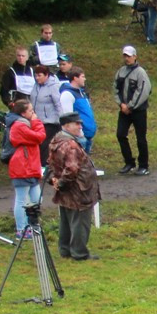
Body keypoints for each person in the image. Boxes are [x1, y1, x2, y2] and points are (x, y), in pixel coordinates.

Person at [48, 112, 100, 261]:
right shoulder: (70, 145)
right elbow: (72, 169)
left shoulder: (56, 140)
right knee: (80, 221)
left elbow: (51, 163)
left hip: (66, 189)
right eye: (76, 124)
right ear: (66, 126)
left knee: (66, 220)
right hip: (78, 189)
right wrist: (62, 183)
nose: (80, 126)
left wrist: (55, 181)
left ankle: (65, 250)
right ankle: (79, 252)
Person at [4, 98, 46, 237]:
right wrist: (36, 121)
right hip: (22, 166)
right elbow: (40, 136)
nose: (33, 113)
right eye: (30, 110)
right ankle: (21, 229)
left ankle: (32, 224)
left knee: (37, 198)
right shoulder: (19, 126)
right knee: (21, 199)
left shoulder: (25, 124)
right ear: (23, 113)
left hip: (31, 165)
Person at [114, 45, 151, 175]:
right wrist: (121, 105)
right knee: (120, 134)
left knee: (141, 138)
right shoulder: (120, 72)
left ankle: (143, 165)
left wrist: (130, 106)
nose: (127, 58)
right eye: (125, 56)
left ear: (135, 56)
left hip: (139, 111)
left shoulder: (141, 72)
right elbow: (116, 89)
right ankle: (129, 162)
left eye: (129, 56)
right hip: (124, 110)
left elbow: (144, 91)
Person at [29, 66, 63, 168]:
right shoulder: (35, 86)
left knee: (44, 144)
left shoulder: (53, 86)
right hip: (37, 120)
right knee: (38, 143)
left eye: (39, 75)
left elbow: (58, 104)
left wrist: (62, 120)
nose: (37, 78)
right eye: (35, 75)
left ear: (46, 75)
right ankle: (39, 164)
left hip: (50, 121)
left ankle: (44, 165)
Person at [60, 67, 96, 153]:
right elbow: (68, 116)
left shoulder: (82, 93)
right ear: (75, 78)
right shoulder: (67, 94)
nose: (85, 79)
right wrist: (79, 134)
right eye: (82, 76)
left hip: (87, 136)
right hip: (79, 137)